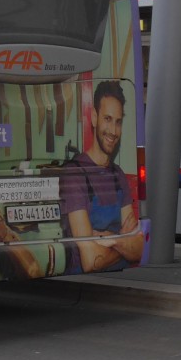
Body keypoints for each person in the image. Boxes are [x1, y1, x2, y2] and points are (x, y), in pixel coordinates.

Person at [60, 81, 144, 273]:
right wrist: (124, 241)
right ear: (95, 118)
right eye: (107, 119)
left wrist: (110, 239)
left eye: (118, 121)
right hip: (83, 286)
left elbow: (140, 250)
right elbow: (91, 261)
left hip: (115, 281)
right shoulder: (75, 175)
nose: (113, 131)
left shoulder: (118, 175)